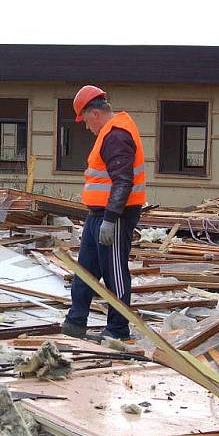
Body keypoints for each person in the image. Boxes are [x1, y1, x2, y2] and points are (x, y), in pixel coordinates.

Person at [61, 85, 146, 341]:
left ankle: (117, 330)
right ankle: (75, 321)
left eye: (85, 120)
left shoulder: (116, 134)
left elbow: (123, 181)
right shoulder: (108, 133)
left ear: (94, 113)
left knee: (114, 272)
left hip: (115, 215)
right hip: (98, 214)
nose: (86, 126)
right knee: (86, 269)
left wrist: (110, 219)